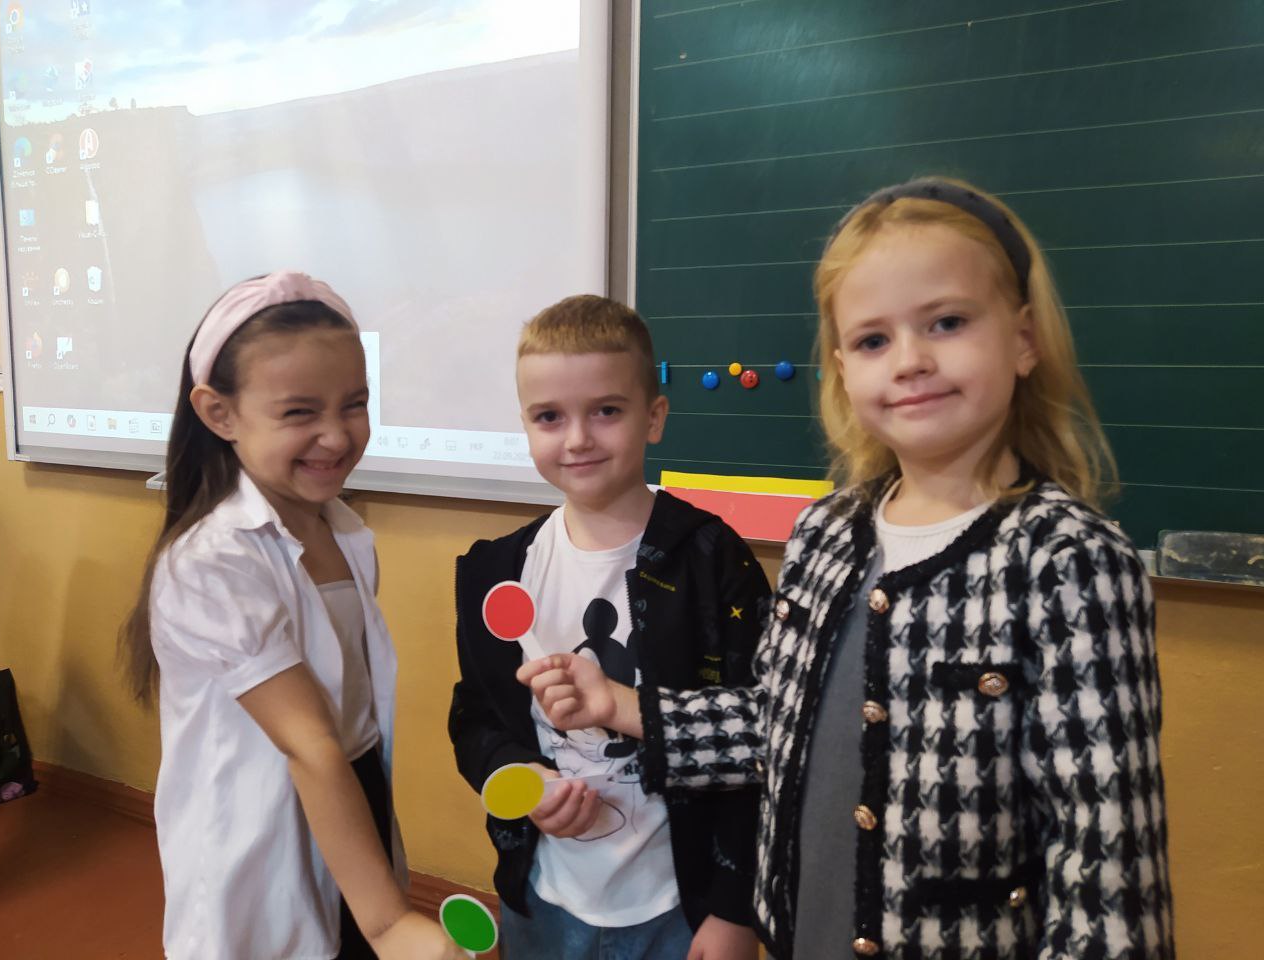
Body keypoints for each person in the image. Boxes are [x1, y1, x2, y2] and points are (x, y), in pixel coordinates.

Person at [520, 180, 1175, 959]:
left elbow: (1108, 872)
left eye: (948, 322)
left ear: (1024, 339)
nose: (911, 361)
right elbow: (776, 726)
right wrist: (620, 704)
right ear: (840, 368)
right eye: (872, 341)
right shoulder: (828, 532)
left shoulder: (1068, 561)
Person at [119, 271, 464, 959]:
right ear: (219, 414)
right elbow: (308, 743)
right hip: (261, 823)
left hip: (349, 791)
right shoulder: (214, 559)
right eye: (300, 412)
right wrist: (388, 921)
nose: (335, 436)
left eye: (354, 404)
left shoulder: (340, 528)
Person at [449, 295, 767, 959]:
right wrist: (519, 776)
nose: (577, 439)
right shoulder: (496, 572)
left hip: (679, 906)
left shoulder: (714, 562)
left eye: (606, 411)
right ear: (526, 424)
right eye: (549, 416)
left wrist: (735, 910)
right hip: (543, 896)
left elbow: (759, 741)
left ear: (654, 417)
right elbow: (474, 718)